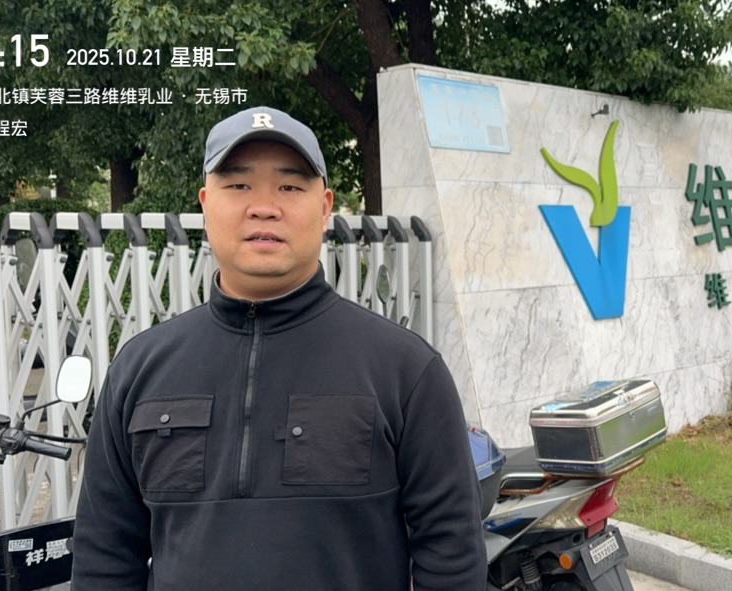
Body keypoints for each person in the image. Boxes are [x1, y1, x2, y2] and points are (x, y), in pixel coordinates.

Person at [71, 107, 486, 590]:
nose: (264, 207)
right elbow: (105, 554)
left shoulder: (405, 370)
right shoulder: (140, 369)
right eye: (238, 185)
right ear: (205, 203)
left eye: (289, 186)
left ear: (325, 207)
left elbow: (452, 555)